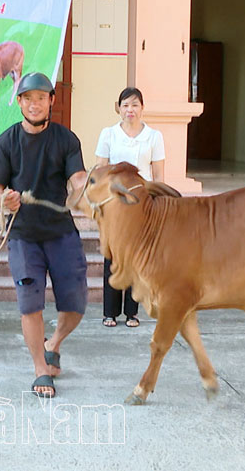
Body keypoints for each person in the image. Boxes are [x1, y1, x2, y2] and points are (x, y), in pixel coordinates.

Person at [0, 72, 88, 398]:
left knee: (77, 305)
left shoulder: (66, 139)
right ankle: (41, 368)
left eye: (41, 97)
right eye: (28, 98)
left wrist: (87, 191)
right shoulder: (7, 141)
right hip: (24, 237)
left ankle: (53, 343)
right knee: (31, 307)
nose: (35, 103)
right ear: (20, 102)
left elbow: (79, 179)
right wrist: (5, 200)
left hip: (61, 233)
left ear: (51, 101)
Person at [94, 87, 165, 329]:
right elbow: (100, 171)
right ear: (119, 108)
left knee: (137, 260)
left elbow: (158, 177)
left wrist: (159, 205)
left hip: (142, 206)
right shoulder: (109, 134)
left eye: (134, 105)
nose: (130, 110)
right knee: (113, 258)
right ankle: (109, 313)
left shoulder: (154, 137)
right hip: (115, 205)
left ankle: (132, 313)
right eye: (125, 105)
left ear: (142, 108)